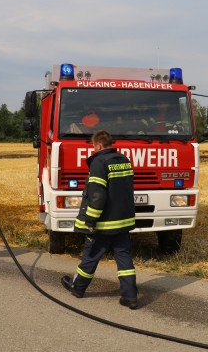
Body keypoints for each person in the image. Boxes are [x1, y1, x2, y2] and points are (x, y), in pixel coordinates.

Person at [61, 130, 139, 309]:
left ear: (98, 145)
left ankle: (78, 287)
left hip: (104, 223)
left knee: (90, 256)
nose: (93, 151)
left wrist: (90, 220)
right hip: (123, 222)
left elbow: (97, 195)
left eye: (93, 147)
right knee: (124, 259)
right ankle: (130, 296)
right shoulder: (124, 160)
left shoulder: (99, 162)